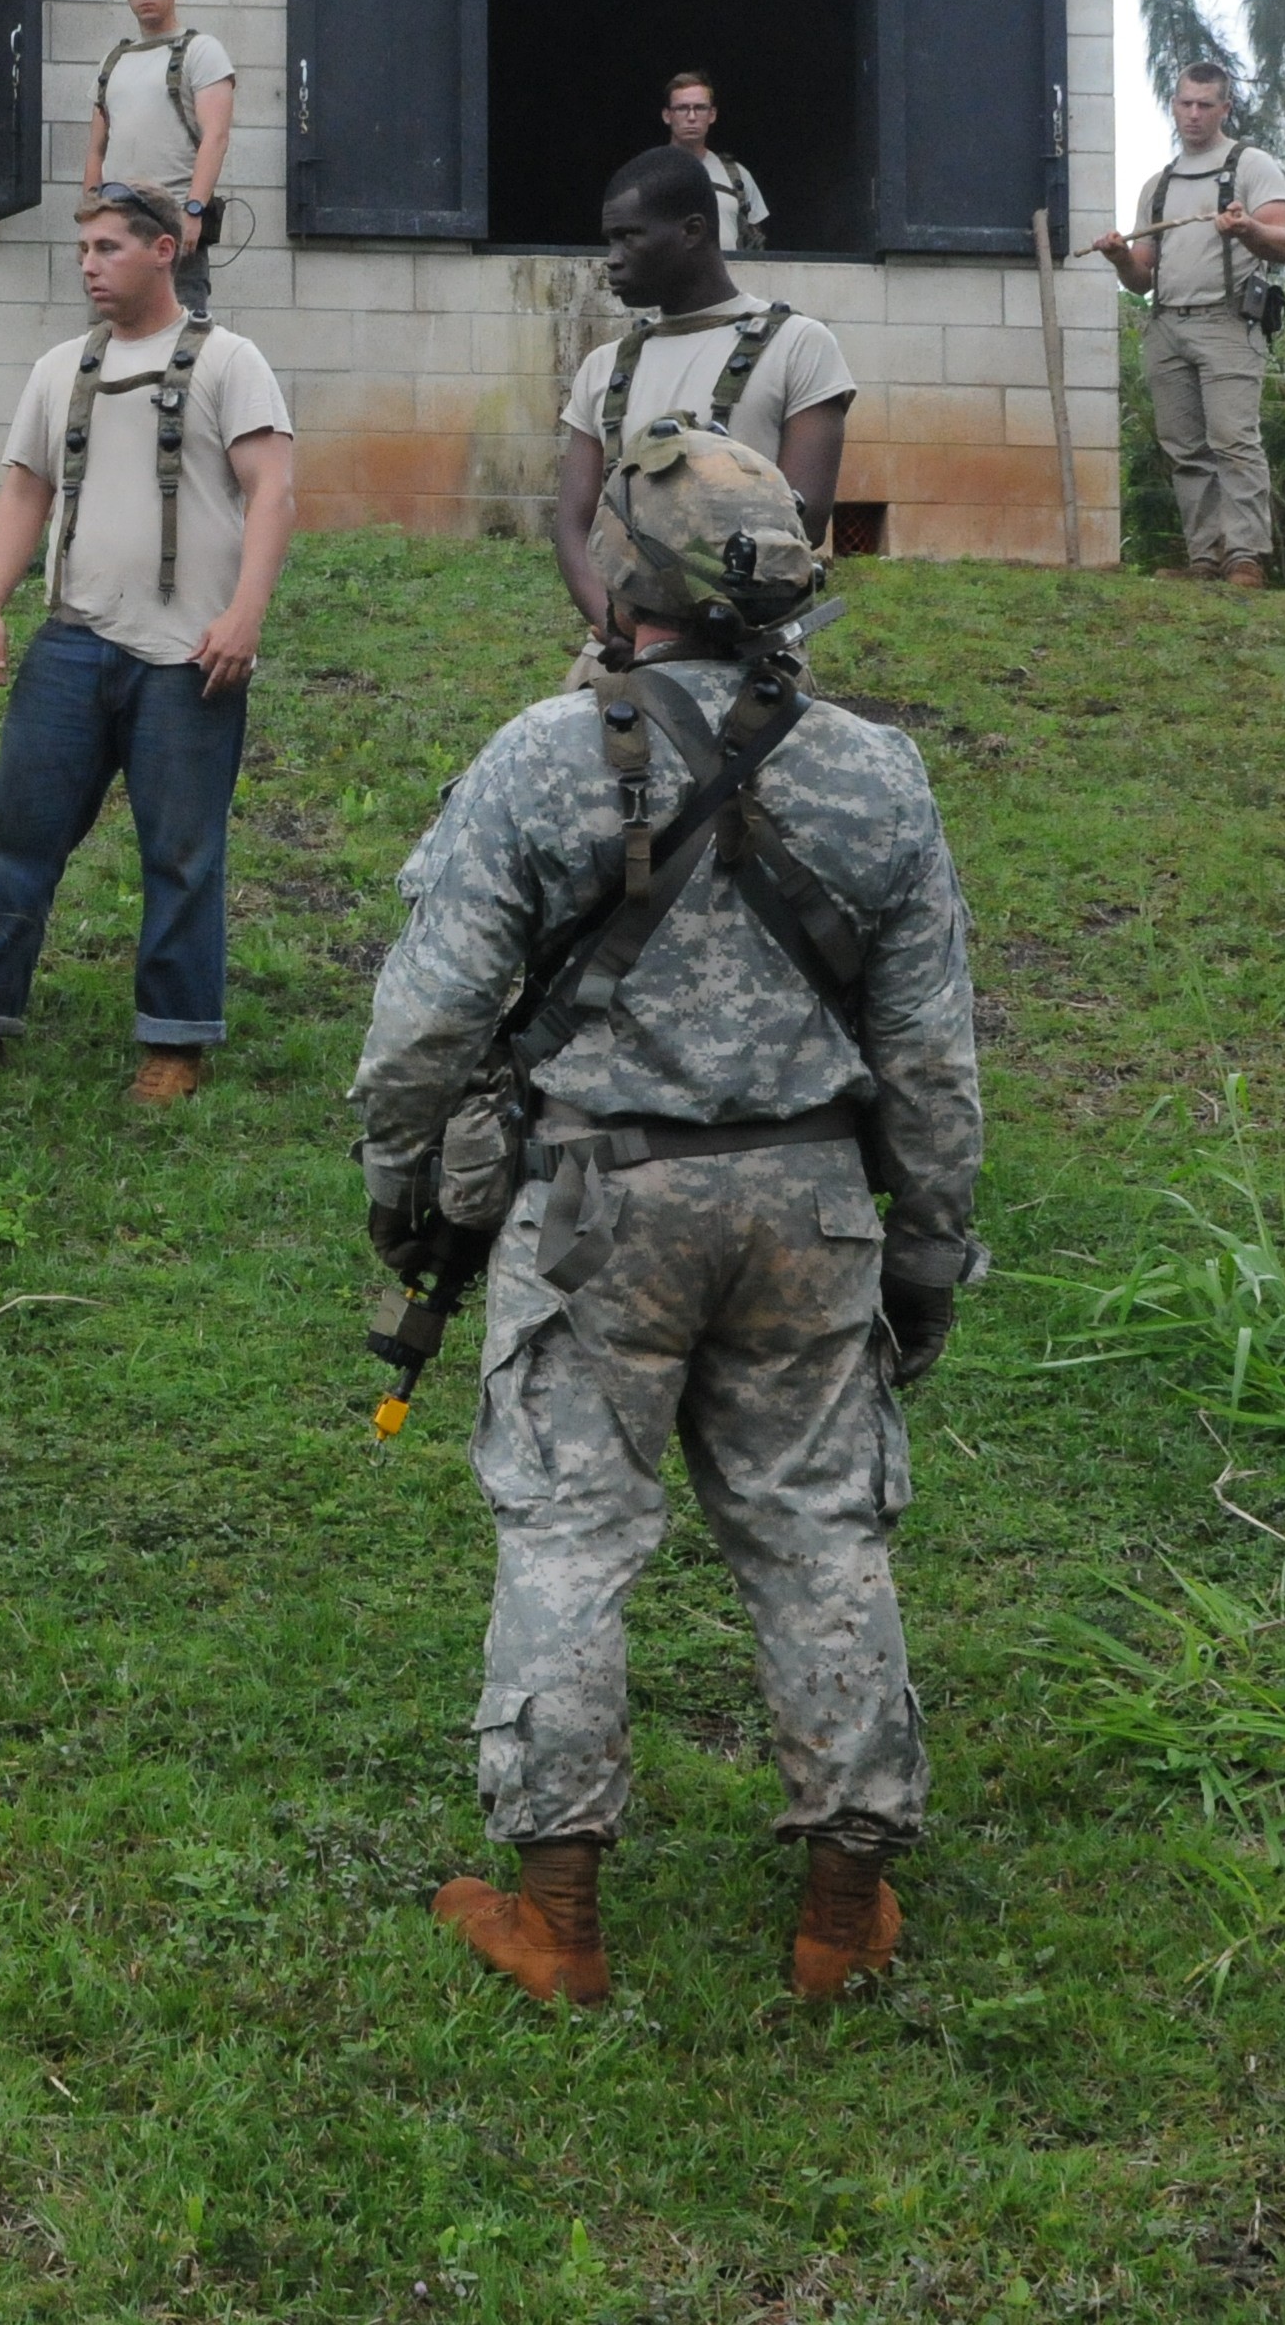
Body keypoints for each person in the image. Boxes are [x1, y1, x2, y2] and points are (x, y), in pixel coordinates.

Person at [356, 430, 981, 2006]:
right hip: (815, 1203)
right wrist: (928, 1242)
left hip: (591, 1207)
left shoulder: (543, 756)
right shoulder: (879, 772)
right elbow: (931, 1058)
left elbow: (424, 1027)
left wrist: (399, 1181)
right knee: (820, 1532)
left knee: (570, 1534)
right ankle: (842, 1915)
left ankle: (559, 1920)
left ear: (629, 574)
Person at [0, 183, 294, 1105]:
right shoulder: (59, 369)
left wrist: (244, 617)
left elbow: (272, 490)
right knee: (17, 838)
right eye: (84, 251)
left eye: (109, 248)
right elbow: (26, 490)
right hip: (73, 643)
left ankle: (177, 1039)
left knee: (182, 852)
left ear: (164, 252)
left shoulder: (231, 362)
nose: (89, 265)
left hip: (192, 654)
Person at [551, 145, 856, 647]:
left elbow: (806, 522)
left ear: (693, 231)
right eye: (610, 239)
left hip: (748, 663)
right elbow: (572, 526)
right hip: (621, 657)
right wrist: (615, 627)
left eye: (630, 236)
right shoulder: (603, 367)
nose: (612, 259)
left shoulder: (798, 346)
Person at [1091, 60, 1285, 587]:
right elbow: (1140, 279)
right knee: (1184, 449)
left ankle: (1245, 557)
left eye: (1206, 104)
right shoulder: (1159, 185)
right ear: (1174, 106)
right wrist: (1117, 256)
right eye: (1185, 103)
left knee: (1233, 440)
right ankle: (1204, 558)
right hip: (1167, 324)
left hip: (1228, 322)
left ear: (1225, 109)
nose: (1194, 114)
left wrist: (1246, 228)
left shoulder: (1251, 165)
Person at [84, 0, 235, 315]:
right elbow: (97, 148)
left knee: (179, 345)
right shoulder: (113, 60)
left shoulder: (202, 51)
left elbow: (215, 136)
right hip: (115, 225)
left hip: (172, 224)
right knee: (108, 348)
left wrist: (194, 210)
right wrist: (89, 218)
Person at [660, 69, 770, 255]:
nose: (692, 117)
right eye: (682, 108)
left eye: (700, 108)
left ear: (712, 114)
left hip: (725, 280)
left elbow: (756, 243)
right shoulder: (645, 173)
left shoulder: (737, 176)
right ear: (667, 115)